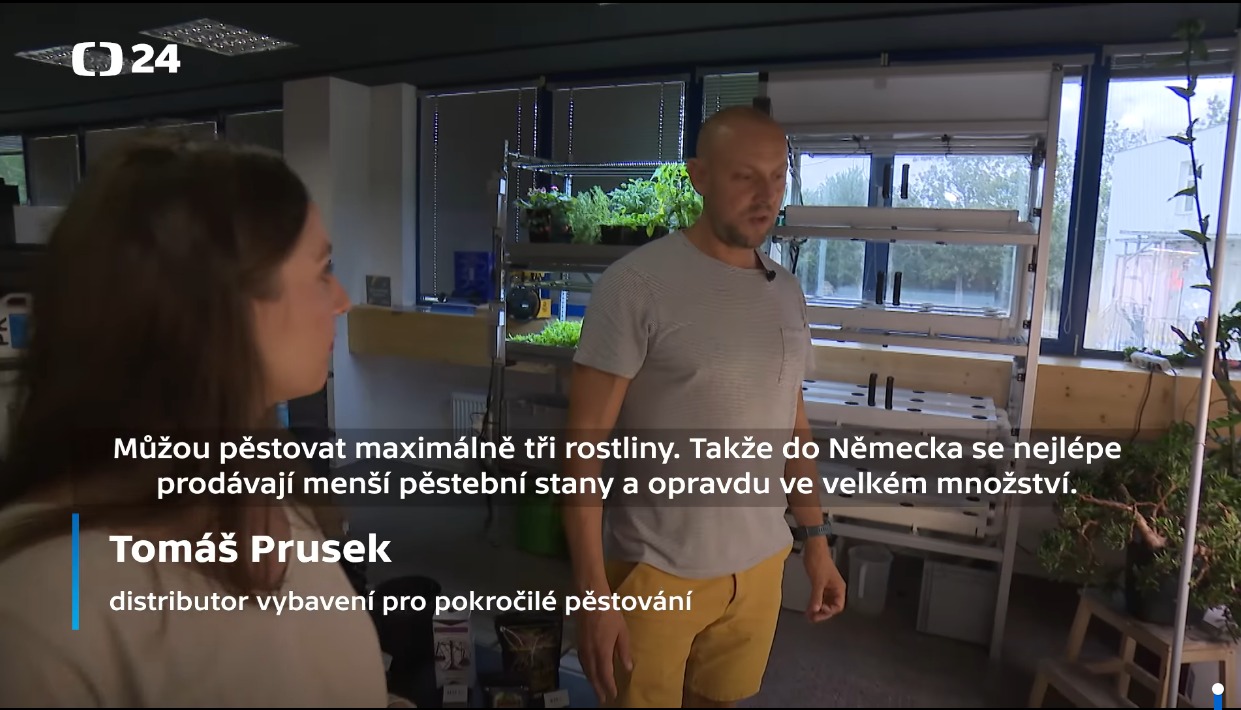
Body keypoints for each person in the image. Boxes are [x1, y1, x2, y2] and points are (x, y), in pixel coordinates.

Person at [0, 135, 397, 707]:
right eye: (322, 271)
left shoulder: (266, 497)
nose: (342, 300)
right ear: (221, 306)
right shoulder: (44, 612)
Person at [563, 105, 848, 709]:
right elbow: (581, 450)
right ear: (699, 176)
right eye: (745, 176)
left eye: (777, 177)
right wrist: (592, 595)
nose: (766, 196)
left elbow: (793, 427)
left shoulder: (787, 292)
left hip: (761, 565)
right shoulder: (637, 285)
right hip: (656, 570)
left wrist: (817, 543)